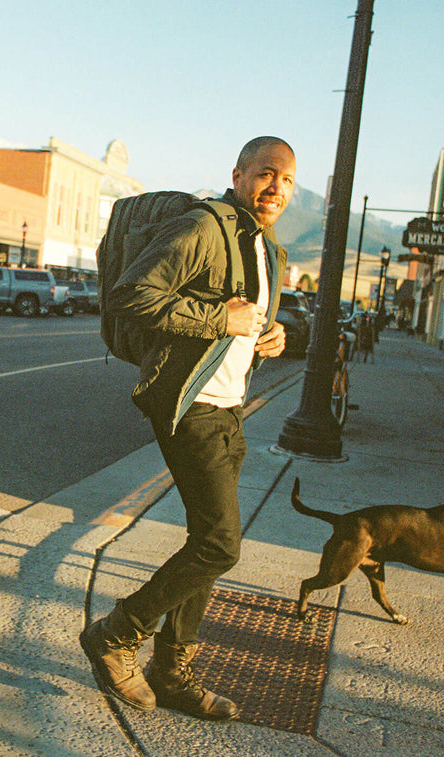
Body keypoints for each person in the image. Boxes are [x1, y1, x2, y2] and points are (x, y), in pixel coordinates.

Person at [80, 136, 295, 721]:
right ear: (238, 173)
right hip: (189, 402)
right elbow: (132, 295)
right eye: (265, 173)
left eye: (286, 180)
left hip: (229, 406)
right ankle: (117, 635)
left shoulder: (265, 247)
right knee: (221, 544)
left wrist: (268, 338)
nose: (276, 187)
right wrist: (217, 318)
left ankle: (172, 672)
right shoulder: (206, 227)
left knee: (206, 542)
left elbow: (247, 323)